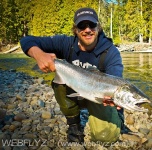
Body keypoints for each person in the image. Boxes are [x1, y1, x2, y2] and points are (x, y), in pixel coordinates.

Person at [20, 7, 126, 144]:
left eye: (92, 25)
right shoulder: (65, 43)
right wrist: (39, 54)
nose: (87, 30)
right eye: (82, 25)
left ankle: (118, 119)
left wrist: (113, 97)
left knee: (105, 137)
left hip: (100, 97)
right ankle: (74, 125)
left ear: (98, 27)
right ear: (75, 29)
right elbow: (26, 40)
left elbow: (116, 80)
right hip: (77, 90)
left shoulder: (111, 52)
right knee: (59, 83)